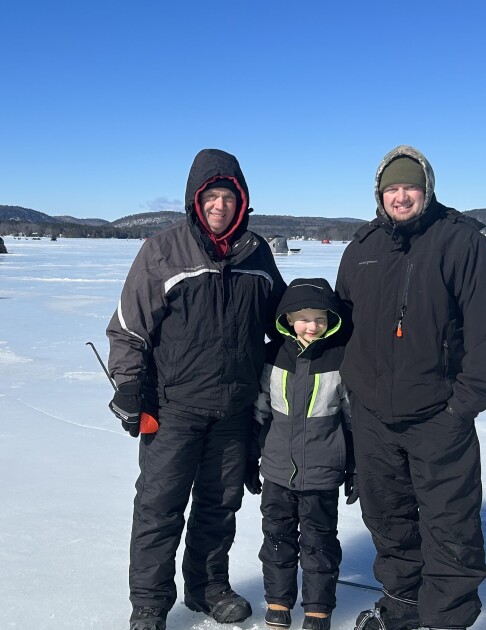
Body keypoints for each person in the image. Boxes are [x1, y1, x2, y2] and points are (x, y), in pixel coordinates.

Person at [106, 148, 285, 630]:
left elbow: (282, 323)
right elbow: (127, 329)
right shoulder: (163, 251)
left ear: (241, 202)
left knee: (219, 505)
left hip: (233, 409)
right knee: (159, 507)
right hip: (172, 408)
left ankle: (207, 588)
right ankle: (148, 605)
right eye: (212, 196)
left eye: (228, 197)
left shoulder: (257, 254)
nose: (219, 205)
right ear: (195, 199)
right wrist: (127, 386)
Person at [336, 146, 486, 630]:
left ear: (426, 189)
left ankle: (445, 621)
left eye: (409, 186)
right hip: (372, 415)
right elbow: (341, 322)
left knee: (449, 524)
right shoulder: (362, 248)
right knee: (388, 519)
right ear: (379, 194)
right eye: (391, 188)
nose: (401, 196)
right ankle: (401, 609)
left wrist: (464, 405)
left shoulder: (461, 243)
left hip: (439, 415)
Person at [248, 277, 357, 630]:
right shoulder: (272, 356)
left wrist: (355, 466)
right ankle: (278, 603)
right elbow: (259, 410)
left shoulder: (340, 358)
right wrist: (251, 456)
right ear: (288, 319)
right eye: (304, 318)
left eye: (320, 318)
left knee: (319, 544)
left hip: (322, 472)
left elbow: (353, 418)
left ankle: (317, 610)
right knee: (277, 541)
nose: (312, 326)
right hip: (278, 469)